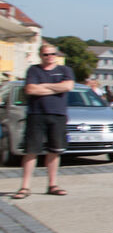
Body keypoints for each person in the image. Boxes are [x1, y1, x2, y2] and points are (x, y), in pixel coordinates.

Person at [12, 44, 74, 199]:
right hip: (36, 114)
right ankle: (25, 187)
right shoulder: (34, 70)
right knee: (31, 151)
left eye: (52, 54)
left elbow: (68, 86)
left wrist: (44, 86)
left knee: (54, 150)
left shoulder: (64, 70)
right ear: (41, 55)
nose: (50, 57)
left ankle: (52, 184)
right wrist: (55, 88)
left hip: (57, 114)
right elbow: (31, 90)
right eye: (46, 54)